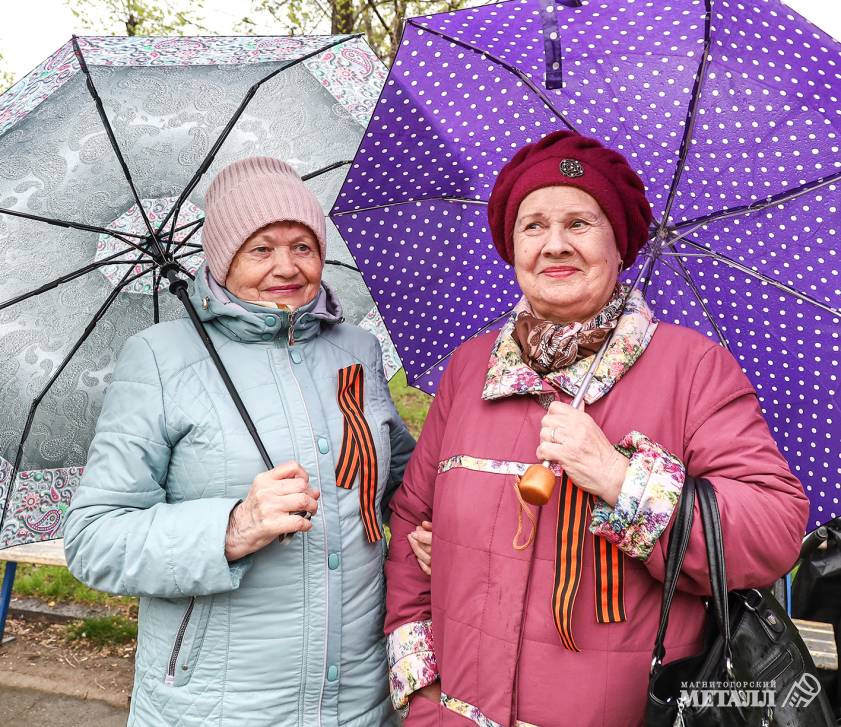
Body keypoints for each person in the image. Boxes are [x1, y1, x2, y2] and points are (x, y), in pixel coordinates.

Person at [384, 131, 810, 726]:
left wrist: (619, 479)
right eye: (532, 226)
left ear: (620, 246)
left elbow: (773, 528)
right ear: (511, 246)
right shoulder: (469, 367)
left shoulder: (691, 367)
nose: (554, 245)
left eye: (580, 223)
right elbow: (411, 524)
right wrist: (422, 699)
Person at [64, 157, 416, 726]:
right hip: (217, 705)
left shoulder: (357, 350)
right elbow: (93, 539)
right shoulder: (159, 357)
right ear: (223, 257)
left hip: (358, 696)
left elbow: (402, 481)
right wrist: (231, 527)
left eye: (303, 245)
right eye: (260, 248)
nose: (287, 266)